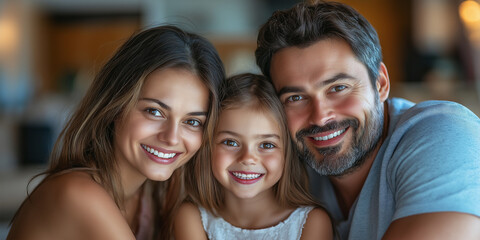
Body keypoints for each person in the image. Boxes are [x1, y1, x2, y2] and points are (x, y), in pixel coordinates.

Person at [255, 1, 480, 239]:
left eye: (338, 87)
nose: (320, 117)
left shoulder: (442, 133)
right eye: (296, 97)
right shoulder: (284, 165)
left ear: (380, 84)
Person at [7, 25, 225, 240]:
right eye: (154, 111)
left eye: (193, 122)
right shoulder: (77, 194)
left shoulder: (155, 195)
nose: (172, 137)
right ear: (115, 106)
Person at [173, 73, 334, 240]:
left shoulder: (312, 222)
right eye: (230, 142)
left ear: (287, 153)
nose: (247, 158)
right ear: (208, 147)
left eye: (266, 145)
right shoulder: (191, 217)